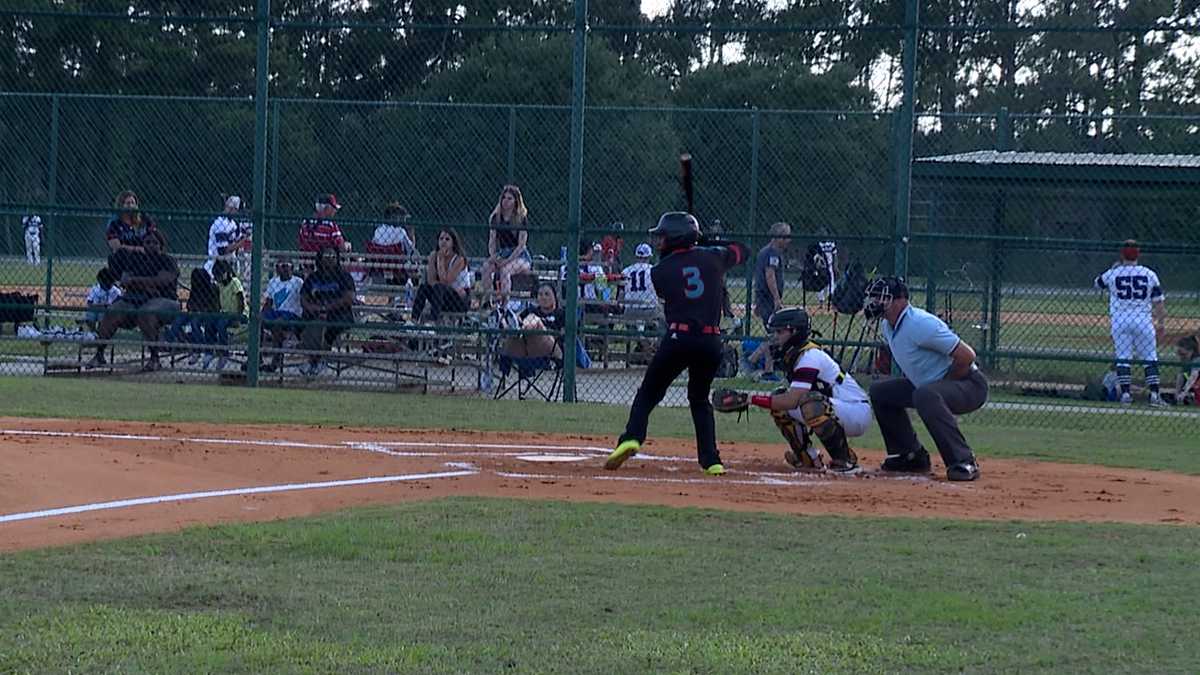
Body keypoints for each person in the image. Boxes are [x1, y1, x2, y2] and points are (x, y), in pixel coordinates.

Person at [606, 212, 749, 476]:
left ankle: (631, 437)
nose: (659, 242)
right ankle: (711, 461)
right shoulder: (715, 257)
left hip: (678, 339)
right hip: (710, 341)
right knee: (698, 399)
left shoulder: (659, 271)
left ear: (675, 238)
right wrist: (709, 244)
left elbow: (675, 273)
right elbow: (742, 250)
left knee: (649, 393)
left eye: (663, 237)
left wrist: (698, 247)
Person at [863, 276, 986, 482]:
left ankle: (964, 461)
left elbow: (967, 355)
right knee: (880, 392)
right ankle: (909, 456)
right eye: (874, 298)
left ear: (900, 300)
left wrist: (945, 383)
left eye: (881, 298)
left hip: (970, 384)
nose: (875, 303)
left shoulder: (920, 323)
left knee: (925, 395)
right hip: (930, 386)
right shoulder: (888, 326)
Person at [747, 307, 871, 474]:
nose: (775, 337)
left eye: (780, 332)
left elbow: (792, 400)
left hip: (856, 411)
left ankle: (845, 461)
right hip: (837, 407)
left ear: (795, 332)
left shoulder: (810, 356)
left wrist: (749, 399)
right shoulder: (795, 354)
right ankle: (808, 458)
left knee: (810, 404)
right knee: (780, 400)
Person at [89, 230, 180, 371]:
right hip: (135, 299)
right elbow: (125, 280)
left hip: (165, 300)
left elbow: (162, 281)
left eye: (154, 242)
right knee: (113, 311)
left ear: (161, 245)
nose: (150, 245)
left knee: (146, 312)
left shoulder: (167, 260)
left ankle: (155, 359)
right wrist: (145, 285)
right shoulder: (137, 259)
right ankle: (99, 354)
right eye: (147, 242)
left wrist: (136, 281)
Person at [1094, 240, 1167, 407]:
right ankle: (1155, 395)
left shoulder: (1114, 273)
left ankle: (1126, 394)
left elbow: (1097, 283)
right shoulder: (1149, 273)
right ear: (1138, 254)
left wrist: (1112, 272)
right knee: (1150, 357)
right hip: (1143, 320)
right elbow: (1159, 302)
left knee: (1123, 358)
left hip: (1120, 320)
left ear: (1122, 254)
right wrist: (1161, 323)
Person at [299, 246, 356, 377]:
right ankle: (315, 360)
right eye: (326, 257)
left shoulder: (344, 276)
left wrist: (327, 308)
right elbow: (303, 299)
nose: (330, 260)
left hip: (338, 313)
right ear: (320, 259)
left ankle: (317, 360)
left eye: (333, 257)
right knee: (310, 324)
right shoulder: (313, 277)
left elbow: (349, 298)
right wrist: (314, 309)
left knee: (328, 326)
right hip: (315, 313)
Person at [747, 222, 791, 379]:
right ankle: (759, 364)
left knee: (773, 333)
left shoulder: (768, 252)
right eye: (785, 236)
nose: (788, 240)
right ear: (777, 237)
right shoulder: (772, 252)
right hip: (768, 299)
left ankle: (763, 365)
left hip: (764, 298)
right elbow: (769, 275)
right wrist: (776, 299)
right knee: (775, 334)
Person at [481, 184, 532, 305]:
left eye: (510, 198)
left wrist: (508, 260)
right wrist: (494, 257)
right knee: (486, 267)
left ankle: (505, 305)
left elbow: (521, 245)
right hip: (502, 253)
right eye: (504, 198)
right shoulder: (496, 218)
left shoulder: (521, 218)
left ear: (516, 201)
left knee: (505, 270)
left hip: (519, 255)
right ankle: (488, 301)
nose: (506, 201)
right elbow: (492, 242)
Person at [412, 229, 470, 323]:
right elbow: (431, 280)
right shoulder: (433, 255)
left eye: (447, 239)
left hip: (458, 299)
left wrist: (441, 260)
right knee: (424, 287)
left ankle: (432, 322)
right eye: (441, 238)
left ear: (453, 242)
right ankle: (413, 320)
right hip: (441, 296)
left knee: (440, 287)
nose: (443, 241)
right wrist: (437, 259)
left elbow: (446, 281)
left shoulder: (459, 259)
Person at [260, 259, 305, 372]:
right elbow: (269, 303)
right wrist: (262, 315)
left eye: (285, 266)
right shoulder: (273, 282)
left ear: (292, 268)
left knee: (278, 323)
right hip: (277, 312)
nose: (282, 269)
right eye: (279, 266)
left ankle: (275, 361)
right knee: (258, 320)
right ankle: (257, 358)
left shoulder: (298, 282)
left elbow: (304, 300)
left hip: (292, 314)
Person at [503, 283, 566, 360]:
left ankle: (519, 329)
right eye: (540, 294)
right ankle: (505, 324)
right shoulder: (531, 309)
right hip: (530, 350)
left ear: (555, 296)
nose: (543, 297)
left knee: (533, 318)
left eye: (547, 294)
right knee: (513, 334)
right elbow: (519, 317)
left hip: (553, 350)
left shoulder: (561, 313)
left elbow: (564, 336)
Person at [205, 259, 247, 370]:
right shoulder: (219, 285)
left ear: (226, 273)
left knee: (221, 325)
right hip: (224, 313)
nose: (217, 278)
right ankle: (209, 351)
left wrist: (238, 317)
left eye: (219, 275)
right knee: (209, 322)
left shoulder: (234, 282)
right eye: (215, 276)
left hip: (239, 314)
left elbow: (241, 301)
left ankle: (224, 352)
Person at [368, 202, 418, 287]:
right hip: (398, 266)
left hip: (380, 265)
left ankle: (392, 296)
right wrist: (412, 236)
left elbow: (373, 246)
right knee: (415, 259)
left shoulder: (378, 230)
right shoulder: (400, 231)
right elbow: (411, 248)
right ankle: (411, 292)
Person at [205, 195, 246, 277]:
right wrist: (241, 242)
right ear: (231, 209)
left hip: (227, 267)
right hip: (215, 268)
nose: (237, 213)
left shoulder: (233, 224)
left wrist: (244, 238)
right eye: (236, 210)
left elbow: (237, 240)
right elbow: (222, 250)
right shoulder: (220, 223)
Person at [298, 193, 350, 258]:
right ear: (327, 208)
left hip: (306, 263)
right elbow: (342, 248)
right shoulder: (330, 225)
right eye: (333, 208)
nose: (334, 211)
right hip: (326, 264)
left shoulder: (305, 223)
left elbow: (301, 243)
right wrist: (347, 246)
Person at [620, 243, 658, 316]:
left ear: (636, 256)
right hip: (649, 309)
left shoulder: (626, 271)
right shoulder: (653, 270)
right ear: (649, 256)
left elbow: (621, 294)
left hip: (630, 310)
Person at [83, 268, 122, 332]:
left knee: (103, 315)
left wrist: (111, 305)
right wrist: (102, 305)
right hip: (96, 309)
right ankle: (93, 332)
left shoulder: (116, 291)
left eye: (108, 284)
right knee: (91, 314)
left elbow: (119, 302)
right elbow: (89, 303)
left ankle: (100, 331)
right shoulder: (96, 289)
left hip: (108, 312)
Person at [1171, 335, 1199, 407]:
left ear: (1191, 351)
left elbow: (1193, 377)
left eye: (1184, 354)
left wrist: (1183, 393)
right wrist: (1177, 394)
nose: (1181, 357)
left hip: (1196, 383)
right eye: (1179, 354)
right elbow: (1181, 376)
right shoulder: (1184, 360)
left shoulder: (1197, 360)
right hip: (1195, 385)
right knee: (1180, 376)